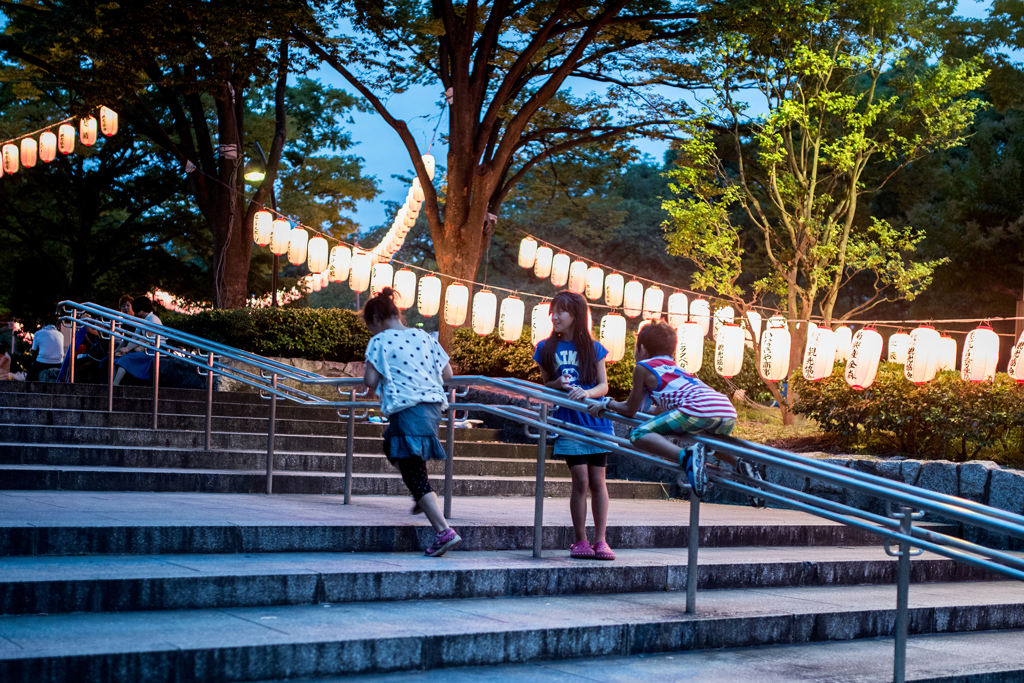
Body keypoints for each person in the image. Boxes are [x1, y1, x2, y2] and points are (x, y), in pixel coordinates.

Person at [588, 321, 764, 506]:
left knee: (638, 434)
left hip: (697, 409)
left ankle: (686, 457)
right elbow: (658, 410)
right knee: (699, 436)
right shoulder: (677, 369)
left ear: (642, 348)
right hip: (725, 409)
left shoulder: (643, 367)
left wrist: (607, 403)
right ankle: (739, 463)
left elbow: (631, 410)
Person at [361, 287, 461, 558]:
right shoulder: (425, 336)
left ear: (377, 320)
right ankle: (422, 498)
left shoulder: (379, 341)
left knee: (413, 472)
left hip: (406, 409)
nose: (371, 332)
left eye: (369, 327)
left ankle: (443, 531)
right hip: (432, 408)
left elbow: (369, 381)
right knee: (390, 444)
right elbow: (448, 372)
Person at [533, 291, 616, 561]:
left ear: (577, 316)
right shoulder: (545, 348)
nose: (555, 316)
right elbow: (546, 386)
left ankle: (601, 540)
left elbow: (604, 385)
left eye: (562, 312)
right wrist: (558, 385)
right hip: (569, 422)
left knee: (598, 480)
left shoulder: (594, 347)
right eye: (553, 311)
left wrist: (586, 393)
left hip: (597, 422)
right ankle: (580, 539)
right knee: (580, 480)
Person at [113, 296, 162, 385]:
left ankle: (115, 385)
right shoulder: (143, 320)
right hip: (150, 350)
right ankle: (113, 383)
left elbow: (145, 338)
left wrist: (127, 349)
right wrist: (125, 349)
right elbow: (135, 337)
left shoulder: (153, 319)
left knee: (125, 359)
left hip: (157, 350)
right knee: (119, 358)